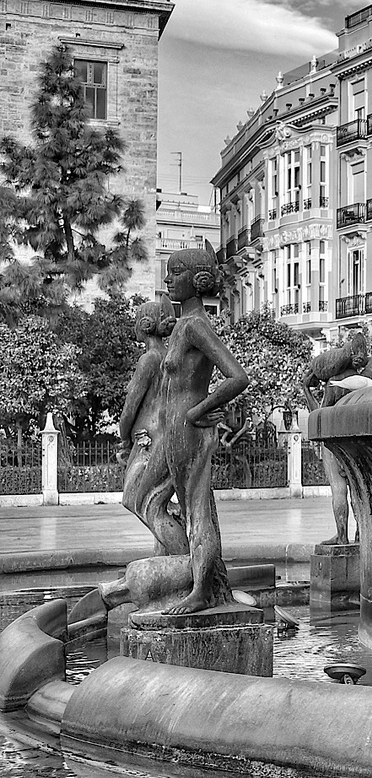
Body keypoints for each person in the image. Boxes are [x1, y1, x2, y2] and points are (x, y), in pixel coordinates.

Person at [158, 245, 251, 615]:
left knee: (197, 510)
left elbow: (237, 377)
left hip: (190, 430)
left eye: (176, 271)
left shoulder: (195, 325)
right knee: (194, 509)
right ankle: (206, 584)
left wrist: (199, 411)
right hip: (177, 431)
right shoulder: (182, 325)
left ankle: (201, 592)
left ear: (198, 281)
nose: (168, 278)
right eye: (168, 271)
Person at [119, 295, 186, 558]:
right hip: (162, 436)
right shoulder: (170, 356)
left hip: (149, 441)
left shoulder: (149, 360)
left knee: (138, 502)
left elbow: (130, 408)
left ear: (144, 325)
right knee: (156, 503)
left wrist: (124, 437)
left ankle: (181, 557)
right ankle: (164, 559)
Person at [302, 330, 372, 548]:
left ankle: (342, 536)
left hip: (334, 443)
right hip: (354, 441)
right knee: (358, 490)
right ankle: (362, 534)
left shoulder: (334, 382)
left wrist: (306, 389)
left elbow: (320, 415)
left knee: (339, 490)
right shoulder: (362, 382)